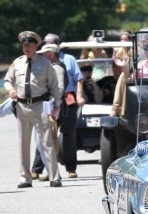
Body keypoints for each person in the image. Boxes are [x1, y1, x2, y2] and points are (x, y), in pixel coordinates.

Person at [4, 31, 62, 188]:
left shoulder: (45, 63)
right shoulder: (17, 63)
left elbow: (54, 86)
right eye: (24, 45)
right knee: (23, 144)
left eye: (30, 45)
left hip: (39, 106)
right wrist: (10, 89)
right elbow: (7, 81)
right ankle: (25, 178)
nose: (26, 47)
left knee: (47, 142)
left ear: (36, 46)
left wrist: (57, 105)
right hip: (22, 106)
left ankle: (54, 177)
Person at [31, 33, 85, 179]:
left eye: (50, 43)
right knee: (45, 134)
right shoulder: (42, 60)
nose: (47, 45)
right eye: (45, 43)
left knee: (68, 135)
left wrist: (79, 95)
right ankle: (37, 169)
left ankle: (71, 169)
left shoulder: (69, 59)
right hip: (49, 100)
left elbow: (78, 79)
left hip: (67, 98)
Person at [30, 44, 67, 181]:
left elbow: (59, 88)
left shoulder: (56, 68)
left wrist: (53, 107)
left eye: (43, 54)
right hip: (47, 108)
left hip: (48, 109)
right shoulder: (52, 67)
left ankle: (53, 173)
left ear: (51, 55)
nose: (40, 57)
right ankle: (51, 172)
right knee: (42, 141)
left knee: (45, 141)